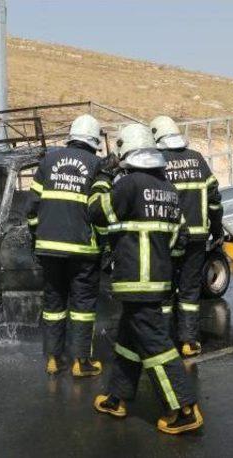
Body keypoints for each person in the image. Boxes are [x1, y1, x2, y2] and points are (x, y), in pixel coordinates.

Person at [89, 123, 203, 435]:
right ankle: (117, 397)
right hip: (159, 280)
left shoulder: (129, 185)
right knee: (129, 340)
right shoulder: (168, 189)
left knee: (157, 347)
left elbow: (97, 211)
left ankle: (183, 408)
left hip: (136, 282)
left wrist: (102, 177)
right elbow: (179, 238)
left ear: (126, 151)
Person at [28, 114, 104, 376]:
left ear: (72, 135)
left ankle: (53, 359)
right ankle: (81, 362)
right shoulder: (97, 164)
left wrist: (37, 235)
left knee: (54, 303)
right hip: (83, 250)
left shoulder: (48, 160)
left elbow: (33, 205)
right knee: (82, 305)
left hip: (49, 248)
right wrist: (105, 243)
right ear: (94, 140)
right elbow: (99, 211)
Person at [150, 115, 223, 357]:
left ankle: (164, 340)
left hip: (168, 239)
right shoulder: (197, 159)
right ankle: (189, 341)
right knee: (190, 289)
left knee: (166, 288)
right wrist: (216, 229)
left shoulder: (159, 161)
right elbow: (214, 199)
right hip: (197, 238)